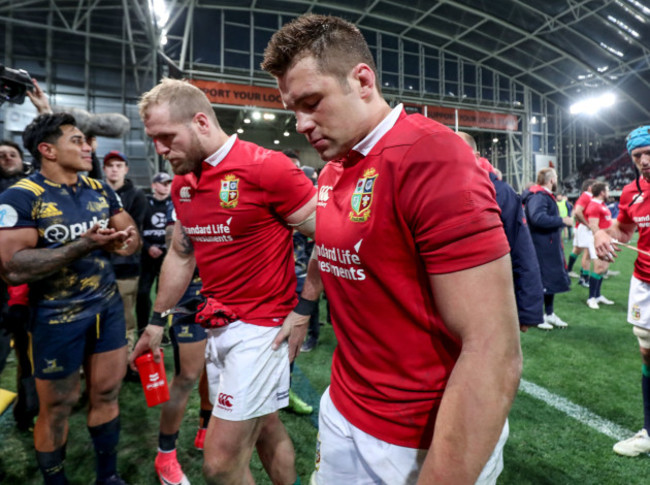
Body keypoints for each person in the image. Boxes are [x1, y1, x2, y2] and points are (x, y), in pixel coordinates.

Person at [262, 14, 522, 484]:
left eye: (311, 102)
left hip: (416, 437)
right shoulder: (335, 167)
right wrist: (304, 308)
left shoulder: (431, 156)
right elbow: (332, 245)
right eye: (291, 109)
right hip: (343, 408)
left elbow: (494, 349)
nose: (300, 123)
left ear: (362, 80)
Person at [130, 78, 317, 485]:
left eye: (167, 137)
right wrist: (156, 320)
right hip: (217, 326)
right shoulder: (182, 184)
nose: (159, 150)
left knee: (218, 464)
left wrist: (303, 309)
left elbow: (330, 235)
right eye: (153, 138)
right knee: (267, 427)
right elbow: (182, 254)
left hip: (263, 331)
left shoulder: (268, 168)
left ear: (200, 122)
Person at [0, 113, 139, 484]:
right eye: (76, 140)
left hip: (106, 309)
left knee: (107, 393)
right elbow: (12, 266)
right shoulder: (20, 196)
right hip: (55, 317)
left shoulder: (99, 188)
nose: (87, 147)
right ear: (47, 150)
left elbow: (129, 233)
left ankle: (107, 477)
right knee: (58, 406)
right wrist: (85, 245)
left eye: (86, 140)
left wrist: (125, 241)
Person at [594, 125, 650, 457]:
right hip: (645, 280)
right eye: (637, 156)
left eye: (649, 153)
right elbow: (624, 229)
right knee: (646, 352)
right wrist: (604, 233)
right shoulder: (630, 192)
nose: (644, 161)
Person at [457, 132, 546, 331]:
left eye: (460, 152)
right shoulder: (437, 190)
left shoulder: (500, 192)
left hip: (492, 297)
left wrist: (528, 310)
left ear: (477, 155)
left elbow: (521, 249)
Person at [0, 139, 39, 430]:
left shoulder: (28, 191)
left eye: (11, 154)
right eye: (0, 155)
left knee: (28, 360)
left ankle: (25, 412)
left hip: (20, 294)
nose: (5, 158)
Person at [103, 151, 148, 349]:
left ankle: (128, 359)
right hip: (100, 266)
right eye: (110, 165)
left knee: (126, 318)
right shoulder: (96, 192)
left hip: (125, 267)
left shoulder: (136, 195)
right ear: (104, 169)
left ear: (126, 169)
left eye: (119, 165)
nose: (114, 169)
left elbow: (134, 233)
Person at [523, 168, 573, 328]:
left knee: (549, 281)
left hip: (547, 245)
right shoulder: (539, 196)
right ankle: (538, 316)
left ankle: (549, 314)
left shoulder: (540, 195)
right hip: (541, 246)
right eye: (556, 178)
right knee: (541, 281)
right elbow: (537, 218)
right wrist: (562, 221)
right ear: (551, 180)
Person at [136, 171, 173, 336]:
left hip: (167, 256)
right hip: (147, 255)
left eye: (168, 184)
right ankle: (142, 328)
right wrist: (148, 247)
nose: (166, 187)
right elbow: (136, 228)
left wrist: (164, 248)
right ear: (154, 185)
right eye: (162, 183)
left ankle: (162, 330)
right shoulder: (144, 202)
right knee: (143, 293)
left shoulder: (174, 204)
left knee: (164, 295)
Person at [584, 182, 615, 309]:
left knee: (604, 268)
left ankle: (598, 295)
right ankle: (591, 298)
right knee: (598, 268)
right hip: (599, 241)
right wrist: (601, 240)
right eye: (607, 190)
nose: (608, 193)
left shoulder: (602, 205)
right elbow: (593, 226)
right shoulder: (594, 206)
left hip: (607, 240)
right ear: (602, 192)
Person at [567, 179, 596, 287]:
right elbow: (577, 212)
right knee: (587, 253)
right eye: (595, 186)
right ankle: (584, 278)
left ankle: (575, 273)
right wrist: (587, 224)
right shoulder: (586, 196)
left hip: (582, 227)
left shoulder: (587, 196)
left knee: (580, 250)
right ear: (589, 187)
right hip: (583, 228)